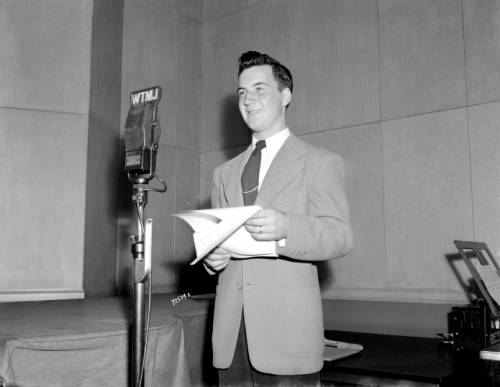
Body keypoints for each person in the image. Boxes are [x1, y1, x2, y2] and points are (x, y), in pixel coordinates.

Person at [203, 50, 353, 386]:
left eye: (260, 89)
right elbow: (218, 251)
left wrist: (286, 228)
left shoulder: (319, 162)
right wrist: (213, 258)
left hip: (288, 337)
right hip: (231, 340)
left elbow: (340, 235)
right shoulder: (223, 174)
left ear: (286, 95)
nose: (248, 100)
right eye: (242, 92)